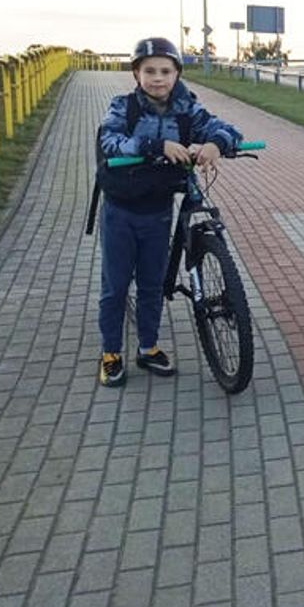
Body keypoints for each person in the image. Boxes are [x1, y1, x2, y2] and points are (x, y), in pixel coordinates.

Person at [95, 37, 243, 387]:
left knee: (151, 283)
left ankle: (148, 348)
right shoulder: (123, 107)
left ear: (177, 74)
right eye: (149, 71)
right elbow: (109, 141)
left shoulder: (186, 108)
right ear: (136, 74)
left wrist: (214, 144)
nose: (157, 78)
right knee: (115, 286)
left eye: (165, 71)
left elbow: (226, 129)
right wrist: (154, 145)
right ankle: (111, 353)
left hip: (158, 208)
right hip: (121, 208)